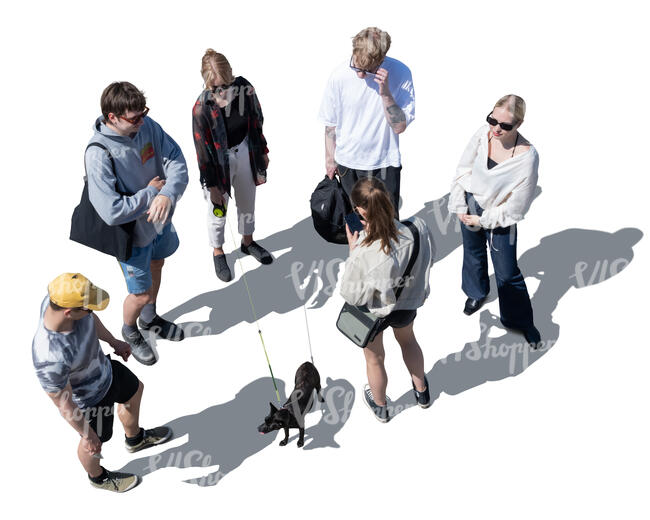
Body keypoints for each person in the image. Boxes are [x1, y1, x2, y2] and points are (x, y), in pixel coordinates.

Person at [32, 273, 173, 493]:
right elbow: (64, 404)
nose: (91, 311)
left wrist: (113, 341)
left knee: (135, 391)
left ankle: (135, 439)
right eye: (88, 307)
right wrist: (88, 434)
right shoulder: (50, 357)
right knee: (94, 446)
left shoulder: (58, 299)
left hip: (105, 370)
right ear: (69, 312)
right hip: (90, 401)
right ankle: (97, 477)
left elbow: (90, 318)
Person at [86, 81, 189, 365]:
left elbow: (176, 160)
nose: (141, 121)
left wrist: (168, 193)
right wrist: (152, 193)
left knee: (159, 264)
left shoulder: (147, 127)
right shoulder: (98, 154)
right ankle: (130, 329)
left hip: (159, 223)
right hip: (132, 237)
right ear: (112, 118)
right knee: (140, 294)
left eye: (143, 113)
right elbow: (110, 211)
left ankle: (149, 320)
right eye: (134, 118)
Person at [448, 94, 542, 348]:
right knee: (473, 252)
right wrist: (459, 204)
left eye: (505, 125)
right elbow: (463, 168)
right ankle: (476, 293)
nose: (496, 128)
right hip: (471, 204)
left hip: (499, 216)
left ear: (519, 125)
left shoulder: (527, 157)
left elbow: (518, 206)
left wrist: (485, 219)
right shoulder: (482, 134)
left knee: (507, 272)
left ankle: (520, 320)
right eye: (492, 120)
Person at [340, 178, 434, 422]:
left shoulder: (365, 251)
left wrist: (353, 252)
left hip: (377, 311)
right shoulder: (418, 227)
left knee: (375, 359)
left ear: (361, 211)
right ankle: (422, 392)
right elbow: (427, 259)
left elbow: (352, 295)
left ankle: (381, 406)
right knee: (409, 342)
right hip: (408, 303)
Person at [192, 49, 272, 282]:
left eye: (226, 85)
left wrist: (263, 151)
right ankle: (218, 251)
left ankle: (248, 242)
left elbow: (257, 120)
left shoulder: (245, 88)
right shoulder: (201, 107)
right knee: (217, 209)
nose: (223, 91)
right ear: (207, 84)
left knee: (247, 202)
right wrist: (212, 184)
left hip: (245, 151)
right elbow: (202, 150)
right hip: (218, 163)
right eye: (216, 88)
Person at [318, 27, 415, 219]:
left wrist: (386, 93)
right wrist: (330, 161)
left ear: (382, 59)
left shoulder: (401, 72)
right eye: (356, 67)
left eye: (368, 70)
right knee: (355, 223)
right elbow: (330, 125)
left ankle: (389, 250)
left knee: (387, 225)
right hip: (347, 165)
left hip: (384, 164)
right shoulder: (338, 76)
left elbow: (399, 127)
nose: (361, 75)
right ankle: (357, 250)